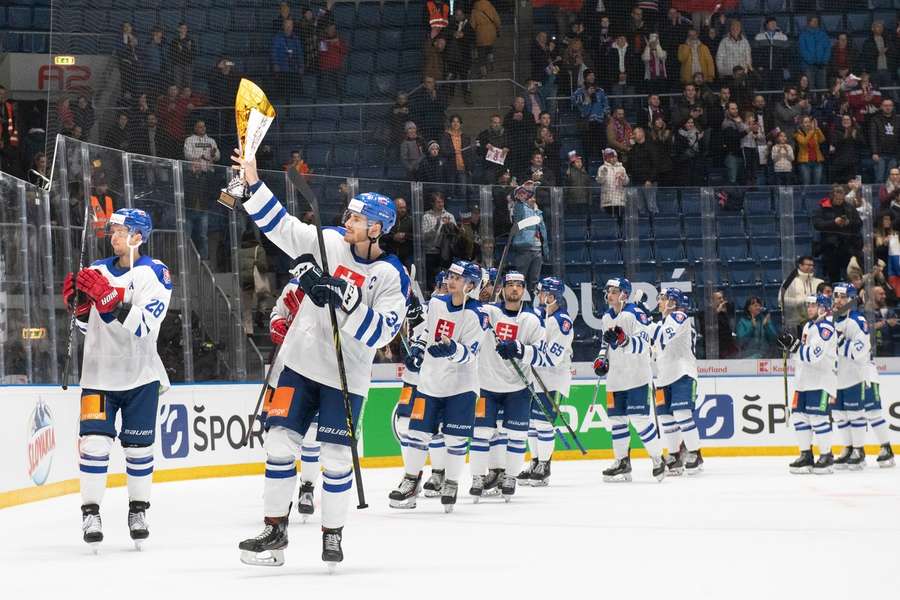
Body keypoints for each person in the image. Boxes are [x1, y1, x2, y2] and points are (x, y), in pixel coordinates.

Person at [232, 151, 408, 568]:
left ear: (377, 228)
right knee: (278, 445)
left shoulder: (391, 275)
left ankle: (333, 535)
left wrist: (345, 302)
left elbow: (383, 334)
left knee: (334, 458)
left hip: (345, 380)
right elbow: (281, 228)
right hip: (298, 365)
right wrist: (254, 183)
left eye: (356, 218)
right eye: (347, 214)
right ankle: (275, 530)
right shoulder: (329, 242)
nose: (346, 221)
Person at [63, 208, 171, 550]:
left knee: (139, 450)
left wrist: (110, 303)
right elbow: (86, 328)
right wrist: (78, 311)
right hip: (97, 376)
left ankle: (138, 511)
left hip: (140, 377)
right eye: (111, 231)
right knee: (94, 447)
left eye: (120, 231)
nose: (113, 236)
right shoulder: (94, 271)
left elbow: (143, 326)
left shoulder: (156, 274)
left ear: (138, 236)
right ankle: (90, 513)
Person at [389, 261, 487, 513]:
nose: (451, 280)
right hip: (429, 384)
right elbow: (425, 332)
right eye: (450, 275)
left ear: (471, 285)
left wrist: (453, 349)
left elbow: (471, 353)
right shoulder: (435, 304)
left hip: (461, 387)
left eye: (458, 277)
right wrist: (419, 350)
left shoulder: (478, 315)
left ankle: (451, 482)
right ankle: (411, 481)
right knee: (417, 434)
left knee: (455, 438)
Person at [471, 271, 549, 500]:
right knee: (481, 434)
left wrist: (519, 349)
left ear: (524, 289)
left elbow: (541, 356)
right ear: (502, 289)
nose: (514, 289)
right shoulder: (489, 313)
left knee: (516, 435)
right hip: (487, 386)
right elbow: (468, 309)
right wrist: (479, 285)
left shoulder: (533, 319)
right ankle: (477, 477)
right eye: (510, 285)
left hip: (518, 389)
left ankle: (510, 476)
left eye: (519, 285)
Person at [593, 277, 666, 482]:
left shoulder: (636, 314)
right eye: (608, 291)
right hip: (615, 378)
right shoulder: (607, 317)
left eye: (614, 291)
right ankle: (622, 461)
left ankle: (658, 459)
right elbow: (605, 344)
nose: (609, 295)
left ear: (624, 294)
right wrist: (601, 359)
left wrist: (624, 340)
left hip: (637, 377)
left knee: (640, 421)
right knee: (617, 421)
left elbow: (643, 344)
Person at [265, 279, 321, 520]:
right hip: (285, 373)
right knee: (276, 438)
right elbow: (277, 311)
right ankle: (279, 498)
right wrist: (277, 323)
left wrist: (303, 320)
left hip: (317, 373)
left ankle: (307, 487)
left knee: (311, 437)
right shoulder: (293, 285)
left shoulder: (333, 285)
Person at [519, 277, 573, 486]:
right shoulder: (542, 317)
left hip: (551, 379)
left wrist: (525, 353)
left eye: (541, 292)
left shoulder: (561, 321)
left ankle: (545, 465)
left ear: (551, 296)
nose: (538, 296)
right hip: (535, 377)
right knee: (532, 424)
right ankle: (534, 462)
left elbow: (552, 358)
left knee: (543, 423)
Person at [777, 294, 838, 474]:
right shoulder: (808, 326)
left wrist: (794, 346)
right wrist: (790, 347)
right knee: (799, 417)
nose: (810, 308)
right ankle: (806, 455)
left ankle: (826, 455)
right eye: (809, 305)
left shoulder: (826, 328)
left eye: (814, 305)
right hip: (803, 381)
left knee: (818, 418)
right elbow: (801, 354)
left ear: (824, 308)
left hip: (820, 381)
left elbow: (814, 356)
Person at [651, 288, 703, 475]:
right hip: (664, 377)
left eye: (663, 299)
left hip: (683, 374)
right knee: (666, 418)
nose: (659, 302)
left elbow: (663, 335)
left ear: (673, 302)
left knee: (682, 414)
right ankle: (674, 457)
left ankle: (694, 453)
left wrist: (643, 322)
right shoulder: (662, 322)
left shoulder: (680, 316)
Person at [830, 283, 871, 470]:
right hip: (835, 378)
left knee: (855, 415)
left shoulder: (857, 320)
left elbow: (860, 351)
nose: (838, 300)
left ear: (852, 300)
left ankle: (859, 450)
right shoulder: (830, 320)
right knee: (840, 416)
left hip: (853, 375)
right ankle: (847, 449)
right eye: (836, 296)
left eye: (843, 297)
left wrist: (840, 343)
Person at [813, 185, 863, 283]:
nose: (839, 201)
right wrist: (834, 222)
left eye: (841, 198)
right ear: (832, 196)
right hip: (830, 247)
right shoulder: (823, 207)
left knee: (849, 276)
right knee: (833, 277)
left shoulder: (849, 207)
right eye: (837, 199)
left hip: (848, 247)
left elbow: (859, 223)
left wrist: (848, 223)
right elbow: (817, 224)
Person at [509, 182, 549, 291]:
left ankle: (531, 306)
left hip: (537, 250)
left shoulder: (538, 212)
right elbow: (517, 197)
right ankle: (517, 306)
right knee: (520, 279)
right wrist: (523, 188)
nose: (533, 199)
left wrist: (545, 251)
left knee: (534, 282)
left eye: (533, 197)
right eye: (530, 197)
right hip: (524, 249)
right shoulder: (520, 208)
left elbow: (543, 233)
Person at [780, 256, 824, 335]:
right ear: (800, 265)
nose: (811, 267)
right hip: (796, 323)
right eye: (808, 265)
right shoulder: (790, 282)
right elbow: (782, 300)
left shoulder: (819, 282)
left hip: (816, 321)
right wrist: (801, 300)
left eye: (812, 265)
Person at [627, 127, 658, 214]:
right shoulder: (634, 148)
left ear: (641, 133)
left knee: (651, 205)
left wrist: (650, 180)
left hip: (648, 181)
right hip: (637, 180)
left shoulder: (651, 146)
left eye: (635, 133)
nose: (633, 136)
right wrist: (631, 145)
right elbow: (629, 163)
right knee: (640, 206)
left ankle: (654, 224)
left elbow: (655, 164)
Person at [753, 17, 789, 92]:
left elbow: (786, 54)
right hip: (764, 70)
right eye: (771, 23)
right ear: (766, 25)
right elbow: (755, 53)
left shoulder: (783, 37)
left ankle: (777, 103)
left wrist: (784, 67)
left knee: (778, 90)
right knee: (765, 89)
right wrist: (758, 65)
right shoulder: (759, 37)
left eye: (774, 23)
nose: (773, 24)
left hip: (778, 69)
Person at [869, 98, 900, 184]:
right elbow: (873, 137)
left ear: (893, 107)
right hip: (880, 154)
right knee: (879, 178)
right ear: (881, 107)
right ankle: (880, 197)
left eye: (890, 105)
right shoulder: (875, 119)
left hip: (894, 154)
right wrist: (874, 152)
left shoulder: (898, 120)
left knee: (891, 180)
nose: (888, 107)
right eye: (885, 105)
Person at [272, 18, 303, 101]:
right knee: (282, 94)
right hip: (282, 70)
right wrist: (276, 65)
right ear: (283, 26)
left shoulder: (296, 39)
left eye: (290, 25)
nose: (289, 27)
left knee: (295, 95)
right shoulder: (278, 38)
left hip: (294, 70)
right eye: (287, 25)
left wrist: (301, 66)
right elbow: (274, 52)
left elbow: (299, 53)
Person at [798, 16, 831, 92]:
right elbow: (803, 50)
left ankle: (823, 102)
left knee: (822, 87)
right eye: (814, 21)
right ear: (809, 22)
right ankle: (811, 102)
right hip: (808, 66)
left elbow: (827, 49)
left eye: (816, 21)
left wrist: (824, 61)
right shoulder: (803, 35)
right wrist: (812, 61)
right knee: (810, 87)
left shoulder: (823, 35)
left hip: (822, 66)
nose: (815, 23)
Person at [471, 0, 501, 79]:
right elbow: (497, 20)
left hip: (481, 34)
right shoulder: (490, 6)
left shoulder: (475, 10)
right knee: (489, 47)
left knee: (481, 55)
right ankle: (491, 61)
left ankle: (484, 74)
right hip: (491, 32)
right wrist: (498, 29)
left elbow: (472, 25)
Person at [794, 116, 826, 186]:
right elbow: (804, 142)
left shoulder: (814, 131)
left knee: (817, 184)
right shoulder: (797, 134)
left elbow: (822, 140)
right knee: (806, 184)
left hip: (817, 162)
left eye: (809, 122)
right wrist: (812, 131)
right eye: (805, 122)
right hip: (805, 163)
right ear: (801, 124)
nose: (808, 124)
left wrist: (817, 129)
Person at [596, 147, 629, 215]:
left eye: (615, 157)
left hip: (620, 200)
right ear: (607, 158)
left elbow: (626, 182)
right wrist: (603, 174)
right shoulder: (602, 168)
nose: (614, 159)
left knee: (620, 217)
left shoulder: (621, 168)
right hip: (608, 201)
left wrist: (623, 178)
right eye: (612, 157)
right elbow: (599, 181)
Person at [169, 22, 195, 89]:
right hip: (178, 66)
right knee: (178, 85)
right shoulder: (174, 41)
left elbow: (193, 54)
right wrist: (179, 51)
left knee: (188, 86)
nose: (184, 30)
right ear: (178, 29)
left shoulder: (190, 41)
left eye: (185, 28)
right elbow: (171, 54)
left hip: (188, 65)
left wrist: (188, 49)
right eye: (182, 28)